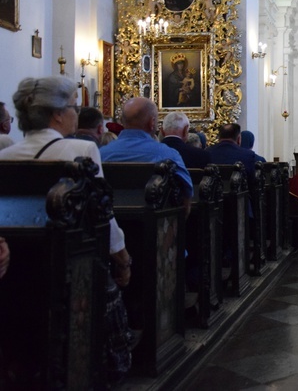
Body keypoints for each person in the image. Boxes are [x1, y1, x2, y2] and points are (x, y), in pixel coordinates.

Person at [0, 76, 135, 382]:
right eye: (74, 106)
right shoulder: (80, 151)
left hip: (18, 273)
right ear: (58, 114)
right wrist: (123, 259)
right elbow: (103, 216)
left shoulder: (4, 157)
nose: (77, 112)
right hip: (72, 268)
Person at [100, 97, 194, 216]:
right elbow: (187, 195)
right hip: (155, 228)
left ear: (121, 121)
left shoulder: (101, 154)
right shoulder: (168, 155)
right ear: (152, 123)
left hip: (109, 225)